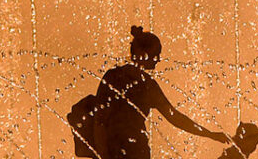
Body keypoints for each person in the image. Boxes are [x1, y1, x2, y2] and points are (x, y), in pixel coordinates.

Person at [92, 25, 229, 159]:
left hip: (128, 149)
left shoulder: (121, 78)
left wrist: (210, 134)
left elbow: (175, 117)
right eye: (155, 54)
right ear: (141, 53)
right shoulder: (140, 84)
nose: (158, 59)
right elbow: (175, 117)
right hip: (124, 149)